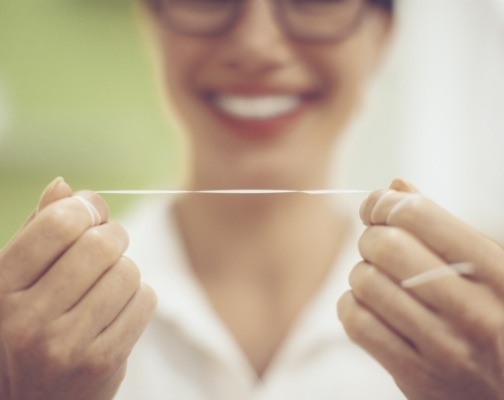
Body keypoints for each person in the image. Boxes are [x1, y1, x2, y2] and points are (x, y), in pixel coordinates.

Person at [1, 1, 503, 400]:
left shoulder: (475, 337)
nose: (257, 44)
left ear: (382, 36)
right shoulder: (29, 334)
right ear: (152, 22)